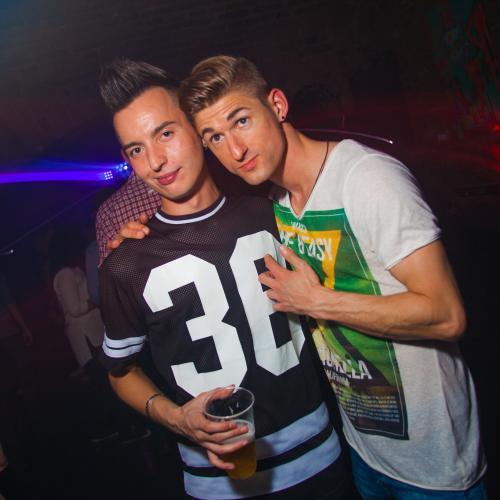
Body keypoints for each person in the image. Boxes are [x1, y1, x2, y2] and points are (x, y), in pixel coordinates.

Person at [175, 55, 487, 498]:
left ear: (277, 105)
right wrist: (132, 238)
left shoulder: (368, 179)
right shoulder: (277, 203)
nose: (235, 151)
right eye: (215, 138)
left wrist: (316, 301)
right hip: (363, 449)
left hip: (433, 467)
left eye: (241, 121)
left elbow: (447, 315)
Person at [97, 58, 347, 499]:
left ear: (197, 128)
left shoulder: (275, 213)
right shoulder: (126, 263)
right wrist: (176, 419)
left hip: (321, 461)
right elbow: (121, 372)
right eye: (136, 149)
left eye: (166, 133)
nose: (155, 161)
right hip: (219, 485)